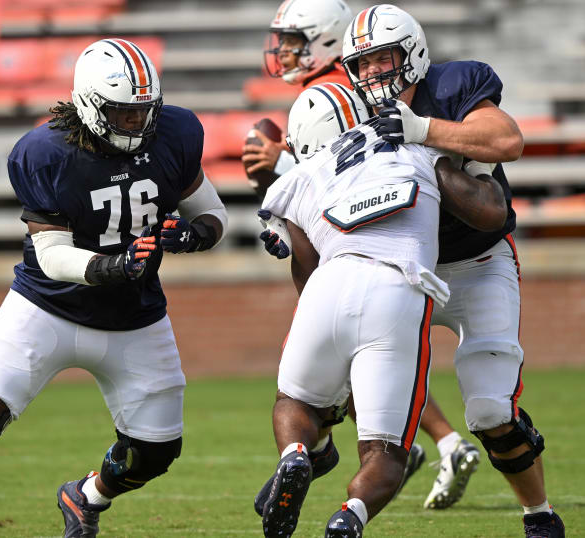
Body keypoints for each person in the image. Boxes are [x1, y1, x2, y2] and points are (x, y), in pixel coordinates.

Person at [0, 39, 228, 538]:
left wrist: (194, 236)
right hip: (46, 307)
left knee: (155, 451)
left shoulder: (175, 132)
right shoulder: (46, 152)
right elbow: (52, 254)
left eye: (143, 112)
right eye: (123, 113)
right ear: (90, 104)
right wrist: (114, 266)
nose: (136, 124)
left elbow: (213, 214)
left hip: (135, 316)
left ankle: (85, 496)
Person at [250, 0, 481, 517]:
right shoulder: (381, 101)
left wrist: (281, 172)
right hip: (401, 265)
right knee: (378, 400)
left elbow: (326, 175)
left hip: (341, 261)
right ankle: (380, 474)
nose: (285, 52)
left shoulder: (332, 100)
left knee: (308, 389)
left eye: (296, 41)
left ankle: (305, 449)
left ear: (328, 38)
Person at [341, 4, 565, 535]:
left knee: (491, 411)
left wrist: (421, 129)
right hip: (404, 269)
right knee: (349, 384)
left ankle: (539, 515)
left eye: (382, 59)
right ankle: (343, 497)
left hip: (480, 261)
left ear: (413, 53)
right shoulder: (347, 112)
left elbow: (506, 140)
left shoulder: (454, 83)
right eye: (362, 64)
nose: (372, 73)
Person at [242, 0, 355, 199]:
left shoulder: (328, 93)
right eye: (282, 41)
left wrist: (280, 162)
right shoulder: (328, 81)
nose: (282, 52)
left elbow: (341, 176)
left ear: (326, 40)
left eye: (292, 41)